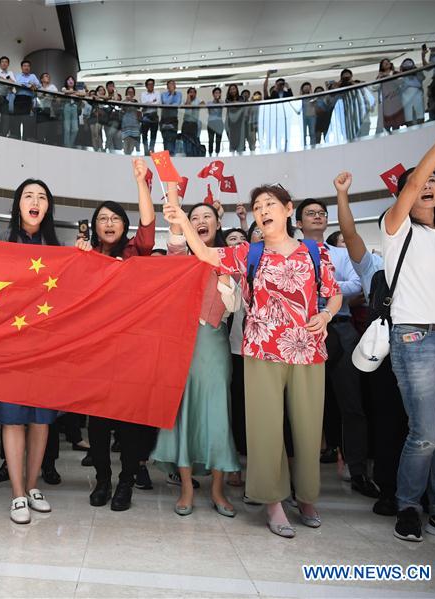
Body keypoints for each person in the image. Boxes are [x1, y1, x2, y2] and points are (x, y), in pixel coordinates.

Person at [164, 184, 342, 538]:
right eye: (258, 206)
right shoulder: (249, 252)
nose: (263, 210)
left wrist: (326, 316)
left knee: (308, 429)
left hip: (308, 349)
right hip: (262, 349)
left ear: (288, 209)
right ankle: (273, 502)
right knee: (265, 430)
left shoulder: (314, 250)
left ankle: (306, 498)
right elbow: (206, 253)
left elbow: (333, 293)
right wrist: (182, 220)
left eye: (270, 204)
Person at [384, 116, 435, 544]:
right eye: (419, 182)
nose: (427, 185)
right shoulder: (396, 229)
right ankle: (408, 506)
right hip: (414, 338)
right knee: (426, 434)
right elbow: (412, 185)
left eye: (433, 180)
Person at [0, 179, 60, 524]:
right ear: (18, 204)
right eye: (29, 196)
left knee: (41, 420)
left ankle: (32, 486)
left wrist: (84, 255)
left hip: (45, 347)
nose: (35, 201)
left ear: (48, 207)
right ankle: (17, 494)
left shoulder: (58, 248)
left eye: (41, 197)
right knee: (13, 419)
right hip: (9, 347)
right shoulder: (1, 242)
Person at [154, 193, 241, 518]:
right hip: (181, 346)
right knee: (183, 414)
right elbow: (176, 241)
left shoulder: (231, 258)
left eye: (207, 217)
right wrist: (176, 213)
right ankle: (187, 489)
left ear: (218, 224)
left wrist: (225, 279)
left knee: (218, 415)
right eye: (195, 218)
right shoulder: (180, 258)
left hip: (214, 347)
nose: (201, 222)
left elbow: (235, 305)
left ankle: (218, 490)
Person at [333, 171, 407, 516]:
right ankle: (389, 488)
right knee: (387, 418)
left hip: (429, 346)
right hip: (384, 351)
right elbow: (349, 233)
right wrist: (342, 195)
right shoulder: (373, 265)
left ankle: (428, 495)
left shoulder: (427, 255)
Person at [84, 159, 156, 511]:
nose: (109, 223)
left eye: (115, 218)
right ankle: (103, 480)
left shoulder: (134, 252)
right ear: (95, 227)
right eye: (103, 219)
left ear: (124, 226)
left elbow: (148, 224)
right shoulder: (84, 256)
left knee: (128, 424)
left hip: (129, 352)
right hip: (94, 353)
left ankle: (126, 482)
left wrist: (141, 182)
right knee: (97, 424)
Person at [295, 198, 375, 497]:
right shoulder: (291, 252)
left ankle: (357, 470)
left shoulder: (342, 253)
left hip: (340, 327)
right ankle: (297, 475)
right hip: (302, 329)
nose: (317, 216)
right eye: (310, 213)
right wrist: (332, 286)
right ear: (299, 223)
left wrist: (322, 286)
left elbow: (358, 284)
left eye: (321, 213)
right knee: (300, 404)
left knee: (351, 402)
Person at [11, 60, 40, 141]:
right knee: (16, 119)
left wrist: (27, 85)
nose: (26, 67)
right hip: (18, 98)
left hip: (28, 99)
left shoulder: (33, 76)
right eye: (24, 66)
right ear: (21, 67)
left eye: (28, 66)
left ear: (30, 68)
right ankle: (16, 138)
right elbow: (18, 84)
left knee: (26, 120)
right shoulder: (17, 76)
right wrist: (29, 85)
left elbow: (38, 85)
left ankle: (25, 139)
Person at [377, 59, 404, 132]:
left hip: (395, 100)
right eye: (384, 63)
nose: (387, 63)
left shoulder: (395, 73)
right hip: (386, 102)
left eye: (388, 62)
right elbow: (375, 87)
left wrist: (388, 76)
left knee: (396, 124)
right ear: (381, 66)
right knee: (386, 125)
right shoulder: (380, 76)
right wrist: (379, 77)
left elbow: (401, 82)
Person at [399, 58, 425, 127]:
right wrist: (401, 71)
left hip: (418, 97)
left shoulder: (417, 74)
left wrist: (415, 69)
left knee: (420, 118)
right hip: (406, 99)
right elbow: (399, 84)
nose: (408, 67)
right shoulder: (402, 76)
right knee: (409, 119)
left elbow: (422, 78)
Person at [61, 75, 84, 148]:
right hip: (67, 106)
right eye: (69, 80)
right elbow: (64, 91)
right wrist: (75, 92)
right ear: (66, 82)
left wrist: (73, 92)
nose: (70, 81)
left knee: (75, 129)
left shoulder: (77, 90)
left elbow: (83, 94)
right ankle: (66, 145)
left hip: (74, 107)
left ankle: (70, 145)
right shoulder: (64, 88)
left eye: (72, 80)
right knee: (67, 129)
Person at [159, 80, 182, 152]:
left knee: (172, 139)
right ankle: (167, 155)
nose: (171, 86)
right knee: (165, 140)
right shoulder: (163, 94)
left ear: (175, 86)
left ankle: (171, 155)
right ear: (167, 86)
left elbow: (177, 104)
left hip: (173, 119)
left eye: (173, 84)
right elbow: (166, 102)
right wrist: (172, 94)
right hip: (164, 119)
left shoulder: (179, 94)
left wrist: (169, 104)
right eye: (170, 84)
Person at [140, 78, 160, 154]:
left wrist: (148, 103)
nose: (151, 86)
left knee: (153, 134)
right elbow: (143, 104)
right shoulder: (143, 94)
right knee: (144, 134)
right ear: (146, 86)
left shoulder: (157, 93)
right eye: (149, 84)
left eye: (152, 84)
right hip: (146, 116)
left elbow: (158, 103)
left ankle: (151, 150)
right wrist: (153, 101)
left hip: (154, 115)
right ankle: (146, 150)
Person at [120, 86, 141, 155]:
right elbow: (121, 110)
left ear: (134, 94)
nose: (130, 93)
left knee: (131, 146)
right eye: (129, 92)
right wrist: (126, 101)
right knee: (126, 145)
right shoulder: (123, 101)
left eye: (132, 92)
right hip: (126, 124)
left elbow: (138, 107)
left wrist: (131, 100)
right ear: (126, 93)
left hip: (134, 125)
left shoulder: (135, 101)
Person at [225, 84, 246, 154]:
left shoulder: (241, 98)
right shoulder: (227, 100)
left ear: (236, 89)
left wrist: (235, 103)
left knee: (241, 139)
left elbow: (242, 104)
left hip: (240, 121)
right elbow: (229, 105)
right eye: (231, 89)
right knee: (232, 139)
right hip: (231, 122)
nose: (232, 90)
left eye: (234, 89)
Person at [207, 87, 224, 156]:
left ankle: (217, 154)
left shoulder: (221, 102)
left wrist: (219, 100)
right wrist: (215, 101)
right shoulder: (209, 103)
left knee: (218, 139)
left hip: (219, 122)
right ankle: (210, 154)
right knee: (211, 139)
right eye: (216, 93)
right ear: (213, 94)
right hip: (211, 122)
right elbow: (209, 110)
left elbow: (222, 105)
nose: (217, 94)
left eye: (219, 93)